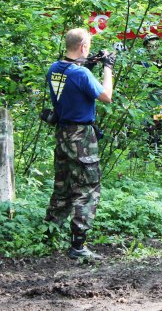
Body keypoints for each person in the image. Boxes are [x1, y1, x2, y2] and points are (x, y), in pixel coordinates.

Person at [44, 28, 114, 260]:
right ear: (83, 46)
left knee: (62, 187)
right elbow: (106, 96)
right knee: (88, 188)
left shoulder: (55, 69)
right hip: (81, 137)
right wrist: (108, 67)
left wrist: (89, 63)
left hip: (62, 133)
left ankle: (48, 236)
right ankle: (78, 245)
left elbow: (72, 86)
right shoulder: (81, 74)